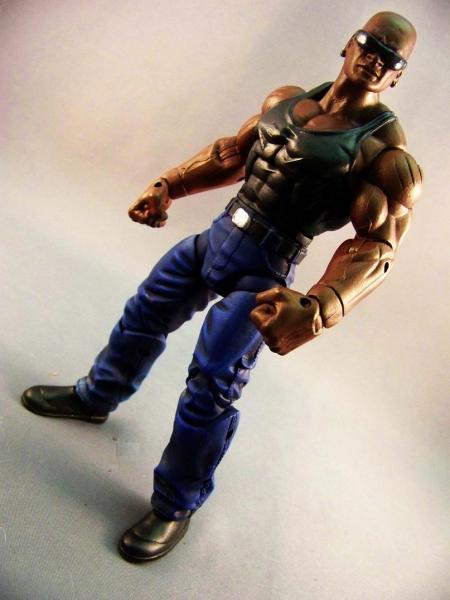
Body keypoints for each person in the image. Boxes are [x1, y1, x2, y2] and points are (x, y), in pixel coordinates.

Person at [22, 11, 422, 562]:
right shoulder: (286, 100)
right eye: (368, 44)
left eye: (390, 58)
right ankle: (96, 396)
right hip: (216, 237)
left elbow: (377, 246)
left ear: (397, 76)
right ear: (348, 45)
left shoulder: (385, 155)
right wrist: (168, 184)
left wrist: (318, 307)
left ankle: (175, 505)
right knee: (143, 314)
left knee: (212, 384)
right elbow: (231, 156)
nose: (374, 59)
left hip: (266, 267)